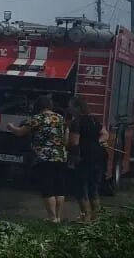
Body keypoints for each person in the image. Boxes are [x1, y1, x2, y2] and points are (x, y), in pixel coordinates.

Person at [8, 95, 68, 223]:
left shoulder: (37, 119)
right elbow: (65, 136)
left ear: (38, 106)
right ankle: (58, 216)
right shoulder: (60, 118)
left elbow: (20, 132)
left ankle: (51, 218)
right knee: (59, 187)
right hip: (60, 156)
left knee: (48, 187)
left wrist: (11, 127)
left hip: (45, 157)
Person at [67, 97, 108, 223]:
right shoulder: (94, 120)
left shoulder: (77, 123)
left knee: (81, 188)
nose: (70, 109)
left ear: (78, 108)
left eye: (71, 107)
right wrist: (96, 142)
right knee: (93, 188)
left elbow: (74, 142)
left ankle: (85, 217)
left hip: (84, 158)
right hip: (99, 157)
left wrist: (67, 148)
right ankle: (96, 218)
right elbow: (105, 134)